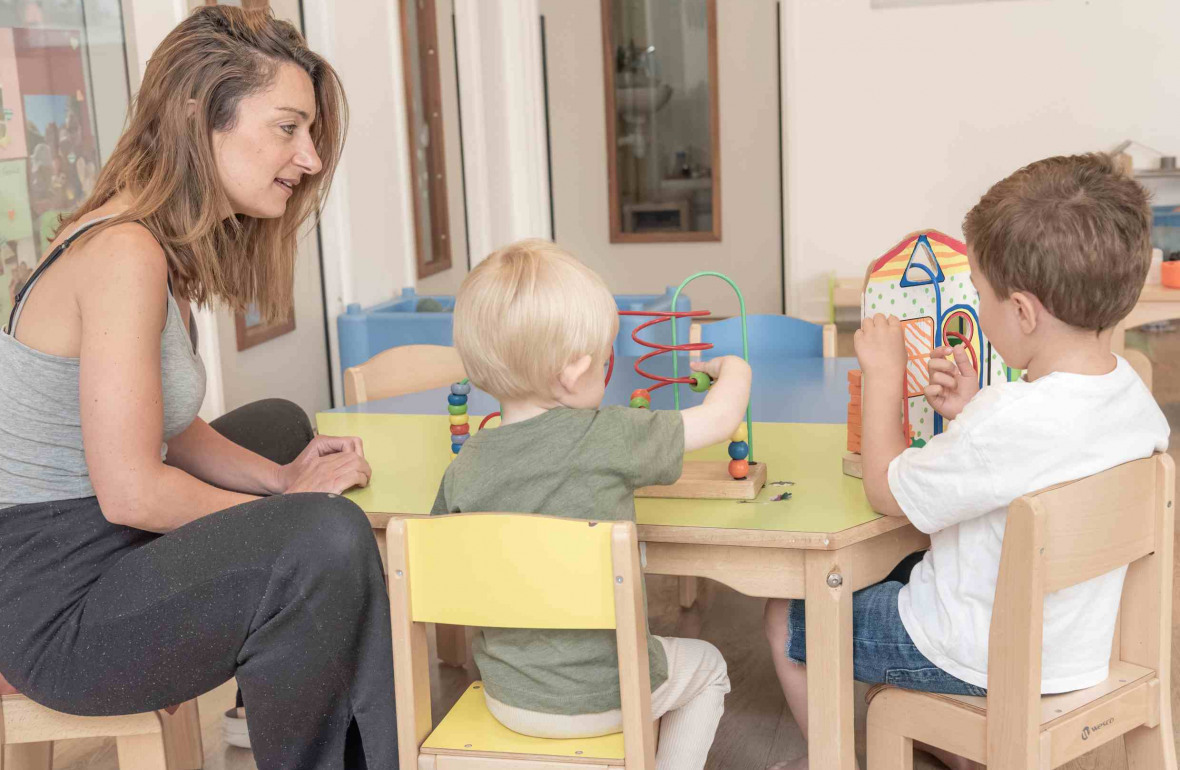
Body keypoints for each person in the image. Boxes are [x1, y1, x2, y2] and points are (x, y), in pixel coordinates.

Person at [0, 7, 397, 768]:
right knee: (326, 539)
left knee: (281, 426)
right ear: (199, 117)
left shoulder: (150, 243)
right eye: (288, 128)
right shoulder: (124, 254)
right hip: (58, 608)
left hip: (103, 547)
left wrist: (282, 477)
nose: (309, 158)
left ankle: (279, 679)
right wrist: (292, 509)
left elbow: (172, 432)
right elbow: (133, 494)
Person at [763, 153, 1170, 770]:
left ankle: (833, 759)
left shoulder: (1004, 421)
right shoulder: (1134, 401)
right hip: (1077, 647)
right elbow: (1041, 447)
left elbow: (883, 488)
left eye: (980, 294)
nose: (977, 308)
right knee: (901, 569)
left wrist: (882, 375)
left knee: (788, 614)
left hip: (975, 653)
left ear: (1024, 312)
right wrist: (973, 407)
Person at [431, 239, 744, 770]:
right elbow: (717, 422)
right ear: (576, 373)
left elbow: (438, 574)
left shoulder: (464, 466)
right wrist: (735, 371)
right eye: (604, 361)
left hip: (508, 698)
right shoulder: (610, 435)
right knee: (708, 666)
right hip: (609, 695)